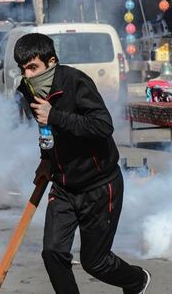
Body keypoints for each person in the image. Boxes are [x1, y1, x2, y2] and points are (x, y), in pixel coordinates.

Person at [14, 33, 151, 294]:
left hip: (99, 185)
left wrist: (55, 115)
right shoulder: (28, 89)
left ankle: (136, 280)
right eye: (23, 69)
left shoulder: (76, 82)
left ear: (51, 62)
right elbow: (45, 130)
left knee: (95, 262)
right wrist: (46, 159)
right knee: (52, 252)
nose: (28, 76)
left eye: (33, 67)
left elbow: (103, 126)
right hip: (63, 185)